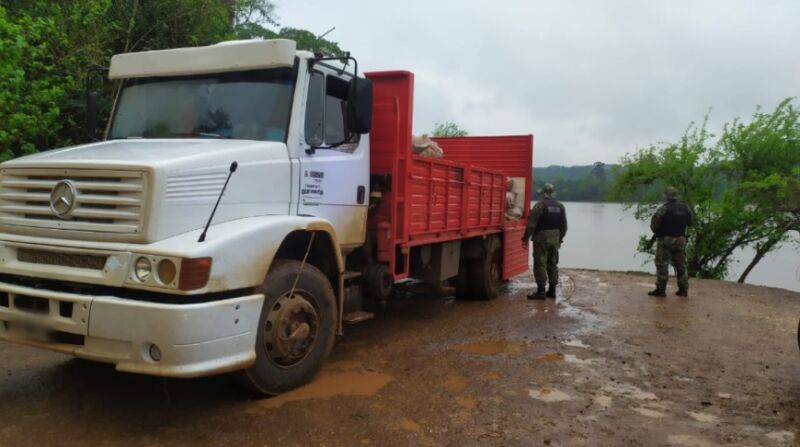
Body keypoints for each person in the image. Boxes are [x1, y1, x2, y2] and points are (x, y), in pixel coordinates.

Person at [522, 183, 567, 299]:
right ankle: (552, 291)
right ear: (553, 193)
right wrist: (559, 239)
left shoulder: (539, 206)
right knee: (552, 263)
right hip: (555, 239)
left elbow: (531, 225)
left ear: (543, 193)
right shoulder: (560, 206)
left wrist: (525, 239)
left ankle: (541, 292)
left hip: (541, 239)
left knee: (540, 264)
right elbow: (564, 226)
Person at [648, 186, 693, 297]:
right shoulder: (685, 208)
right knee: (681, 265)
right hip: (681, 240)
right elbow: (690, 222)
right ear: (676, 196)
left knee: (662, 264)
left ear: (666, 197)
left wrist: (660, 232)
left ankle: (661, 290)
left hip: (665, 240)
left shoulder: (664, 208)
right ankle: (683, 290)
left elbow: (654, 224)